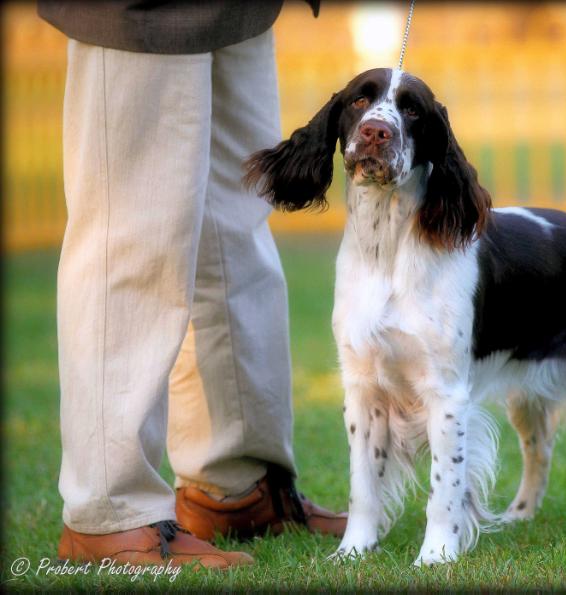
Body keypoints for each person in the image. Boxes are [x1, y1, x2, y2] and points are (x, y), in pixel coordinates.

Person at [38, 0, 346, 569]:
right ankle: (110, 513)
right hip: (141, 11)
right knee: (131, 230)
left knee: (236, 227)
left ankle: (236, 486)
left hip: (238, 10)